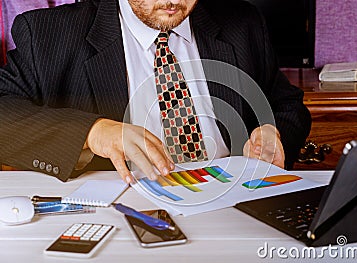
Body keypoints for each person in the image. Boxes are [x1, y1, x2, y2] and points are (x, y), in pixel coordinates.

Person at [0, 0, 311, 183]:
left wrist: (274, 133)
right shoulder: (47, 33)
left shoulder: (242, 23)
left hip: (229, 202)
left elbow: (285, 104)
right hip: (122, 212)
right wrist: (92, 133)